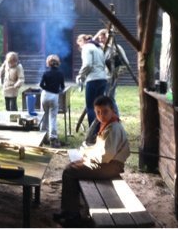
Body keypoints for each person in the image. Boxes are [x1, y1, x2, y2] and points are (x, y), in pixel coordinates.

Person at [54, 95, 130, 227]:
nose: (101, 115)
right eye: (98, 112)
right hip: (105, 163)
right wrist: (87, 150)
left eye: (105, 111)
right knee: (73, 166)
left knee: (69, 171)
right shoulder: (108, 125)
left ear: (113, 110)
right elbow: (100, 148)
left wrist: (87, 155)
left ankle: (72, 215)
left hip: (110, 166)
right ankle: (69, 210)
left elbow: (105, 156)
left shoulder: (114, 128)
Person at [76, 34, 108, 126]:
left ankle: (93, 131)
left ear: (82, 41)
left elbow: (87, 64)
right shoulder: (99, 48)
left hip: (93, 79)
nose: (79, 47)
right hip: (102, 79)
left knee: (90, 106)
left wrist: (80, 75)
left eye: (79, 44)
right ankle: (100, 127)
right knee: (100, 106)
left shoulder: (86, 48)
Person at [39, 54, 65, 148]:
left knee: (44, 116)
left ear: (48, 63)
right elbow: (62, 87)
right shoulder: (60, 73)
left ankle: (43, 137)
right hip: (54, 96)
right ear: (58, 63)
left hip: (45, 95)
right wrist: (57, 90)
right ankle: (53, 138)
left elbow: (41, 85)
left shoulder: (45, 73)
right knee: (52, 117)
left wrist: (47, 88)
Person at [94, 28, 121, 116]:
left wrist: (116, 73)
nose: (101, 40)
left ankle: (116, 116)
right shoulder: (100, 49)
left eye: (103, 38)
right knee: (102, 98)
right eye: (100, 38)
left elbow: (124, 63)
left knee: (110, 98)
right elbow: (91, 42)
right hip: (102, 77)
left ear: (107, 37)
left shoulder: (115, 48)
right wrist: (98, 33)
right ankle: (105, 116)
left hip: (111, 77)